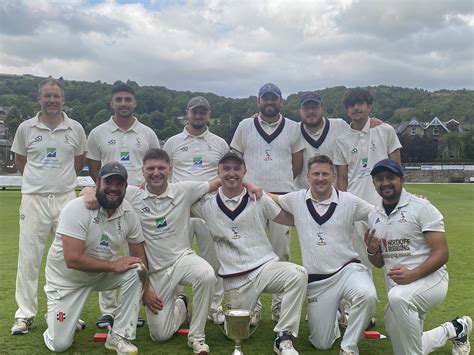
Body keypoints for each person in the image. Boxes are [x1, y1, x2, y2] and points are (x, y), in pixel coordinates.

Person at [192, 152, 307, 355]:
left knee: (297, 274)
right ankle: (248, 312)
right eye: (226, 169)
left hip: (265, 267)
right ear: (218, 173)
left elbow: (289, 219)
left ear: (245, 172)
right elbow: (178, 198)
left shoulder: (258, 199)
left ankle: (283, 337)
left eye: (237, 169)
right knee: (234, 332)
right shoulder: (205, 205)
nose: (232, 173)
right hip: (235, 280)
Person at [365, 159, 471, 355]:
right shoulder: (374, 215)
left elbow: (442, 253)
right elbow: (379, 263)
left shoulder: (421, 207)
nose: (385, 183)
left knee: (398, 299)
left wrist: (413, 274)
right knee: (407, 347)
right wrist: (372, 251)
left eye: (391, 177)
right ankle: (455, 328)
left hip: (431, 282)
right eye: (379, 179)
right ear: (374, 183)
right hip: (399, 291)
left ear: (402, 180)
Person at [275, 155, 377, 354]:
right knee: (321, 343)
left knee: (368, 295)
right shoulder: (296, 199)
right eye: (316, 174)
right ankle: (336, 313)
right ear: (308, 177)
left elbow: (379, 213)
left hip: (348, 270)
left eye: (325, 174)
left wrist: (412, 201)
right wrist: (248, 187)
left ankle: (348, 347)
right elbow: (270, 198)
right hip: (318, 281)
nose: (320, 178)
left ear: (333, 176)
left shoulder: (349, 201)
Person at [43, 162, 148, 354]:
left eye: (119, 183)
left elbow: (138, 254)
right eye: (109, 182)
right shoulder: (76, 208)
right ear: (98, 182)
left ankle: (119, 335)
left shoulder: (128, 212)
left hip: (99, 275)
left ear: (125, 187)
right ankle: (53, 316)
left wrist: (147, 290)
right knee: (60, 345)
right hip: (66, 282)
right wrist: (113, 265)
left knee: (137, 268)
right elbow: (72, 260)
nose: (114, 188)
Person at [10, 77, 87, 335]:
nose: (52, 100)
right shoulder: (25, 128)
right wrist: (40, 184)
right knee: (29, 259)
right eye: (47, 96)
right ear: (39, 99)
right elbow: (21, 162)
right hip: (34, 199)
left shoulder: (75, 128)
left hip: (66, 199)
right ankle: (25, 314)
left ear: (63, 99)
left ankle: (66, 314)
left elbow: (78, 163)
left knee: (68, 260)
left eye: (56, 96)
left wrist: (60, 183)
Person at [87, 83, 160, 328]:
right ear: (112, 103)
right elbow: (95, 169)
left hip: (138, 198)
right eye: (118, 100)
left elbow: (153, 166)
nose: (123, 104)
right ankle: (108, 310)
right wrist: (106, 191)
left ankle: (131, 304)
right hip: (110, 195)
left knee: (136, 251)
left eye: (127, 99)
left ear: (135, 103)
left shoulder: (147, 133)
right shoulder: (98, 132)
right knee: (105, 250)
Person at [230, 83, 304, 322]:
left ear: (281, 101)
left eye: (274, 99)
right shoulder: (244, 125)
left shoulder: (293, 127)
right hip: (250, 197)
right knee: (249, 253)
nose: (269, 103)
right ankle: (251, 307)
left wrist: (279, 184)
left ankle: (279, 306)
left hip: (281, 197)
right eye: (265, 99)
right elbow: (235, 159)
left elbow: (297, 162)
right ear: (258, 102)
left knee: (280, 252)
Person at [163, 96, 229, 325]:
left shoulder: (219, 143)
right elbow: (165, 175)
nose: (198, 116)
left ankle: (214, 306)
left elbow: (225, 174)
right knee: (174, 255)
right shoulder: (172, 142)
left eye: (203, 112)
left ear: (208, 114)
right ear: (187, 113)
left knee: (214, 255)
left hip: (209, 204)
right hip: (179, 205)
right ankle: (176, 304)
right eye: (194, 112)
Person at [294, 91, 350, 190]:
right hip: (302, 197)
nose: (311, 111)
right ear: (300, 110)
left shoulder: (340, 126)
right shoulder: (293, 130)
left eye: (315, 107)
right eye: (306, 108)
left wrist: (371, 122)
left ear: (322, 107)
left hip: (334, 196)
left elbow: (358, 132)